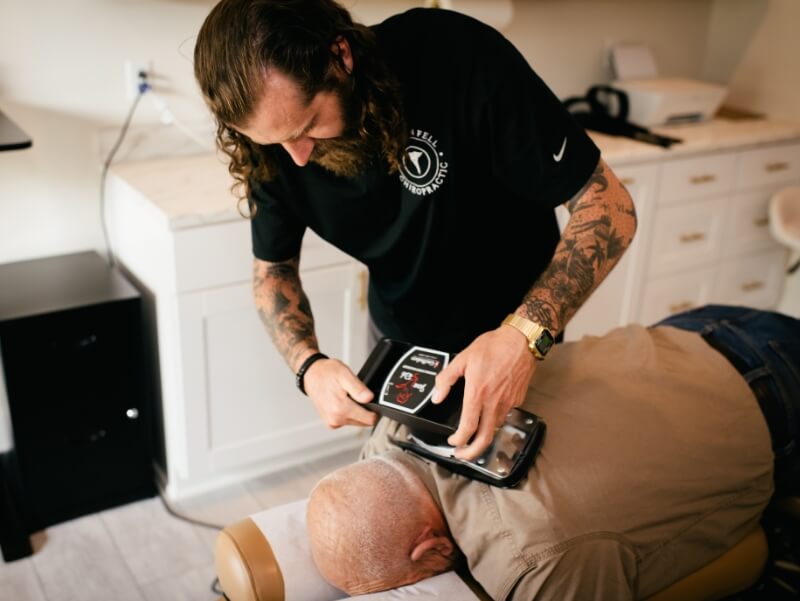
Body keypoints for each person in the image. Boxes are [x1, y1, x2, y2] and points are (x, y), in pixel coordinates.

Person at [193, 0, 637, 460]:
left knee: (520, 479)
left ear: (340, 56)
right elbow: (273, 271)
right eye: (275, 141)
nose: (298, 157)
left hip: (514, 334)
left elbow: (609, 205)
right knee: (404, 483)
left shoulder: (451, 54)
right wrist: (308, 367)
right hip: (399, 344)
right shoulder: (273, 146)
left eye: (307, 126)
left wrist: (524, 338)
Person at [305, 305, 800, 600]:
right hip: (692, 330)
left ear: (430, 550)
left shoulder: (537, 565)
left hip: (781, 396)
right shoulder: (396, 420)